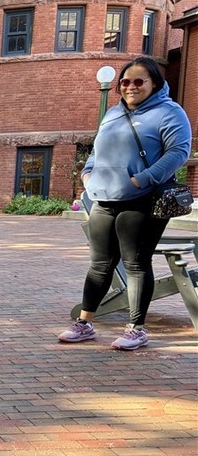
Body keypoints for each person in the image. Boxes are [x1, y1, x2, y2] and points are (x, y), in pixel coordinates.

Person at [59, 56, 193, 351]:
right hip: (104, 197)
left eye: (138, 81)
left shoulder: (169, 113)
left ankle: (136, 329)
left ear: (154, 83)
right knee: (100, 264)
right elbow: (98, 149)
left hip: (142, 199)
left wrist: (142, 179)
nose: (130, 87)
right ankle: (84, 323)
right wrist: (87, 175)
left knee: (135, 263)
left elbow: (178, 152)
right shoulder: (112, 114)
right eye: (125, 82)